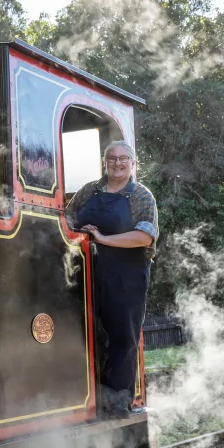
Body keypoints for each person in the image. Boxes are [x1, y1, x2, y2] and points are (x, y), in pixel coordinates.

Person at [65, 140, 158, 419]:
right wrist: (80, 233)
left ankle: (118, 401)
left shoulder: (142, 196)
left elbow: (144, 236)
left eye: (123, 159)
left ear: (133, 163)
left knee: (123, 337)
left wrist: (104, 238)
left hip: (126, 276)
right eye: (112, 158)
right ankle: (87, 397)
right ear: (104, 162)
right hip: (86, 272)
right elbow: (67, 219)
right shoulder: (88, 190)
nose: (117, 163)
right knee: (87, 333)